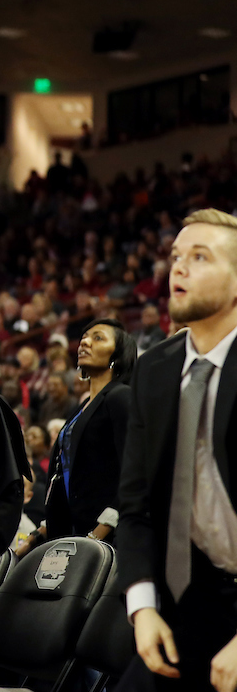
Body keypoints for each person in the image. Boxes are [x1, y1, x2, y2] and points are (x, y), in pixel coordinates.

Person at [118, 209, 237, 690]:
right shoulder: (155, 369)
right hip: (192, 597)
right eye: (175, 257)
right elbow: (136, 505)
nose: (178, 269)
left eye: (200, 257)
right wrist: (143, 606)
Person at [17, 318, 135, 556]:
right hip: (72, 536)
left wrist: (100, 532)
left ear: (118, 354)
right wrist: (40, 533)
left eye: (98, 338)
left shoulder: (120, 397)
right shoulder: (79, 411)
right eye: (83, 338)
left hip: (103, 544)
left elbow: (134, 469)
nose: (85, 343)